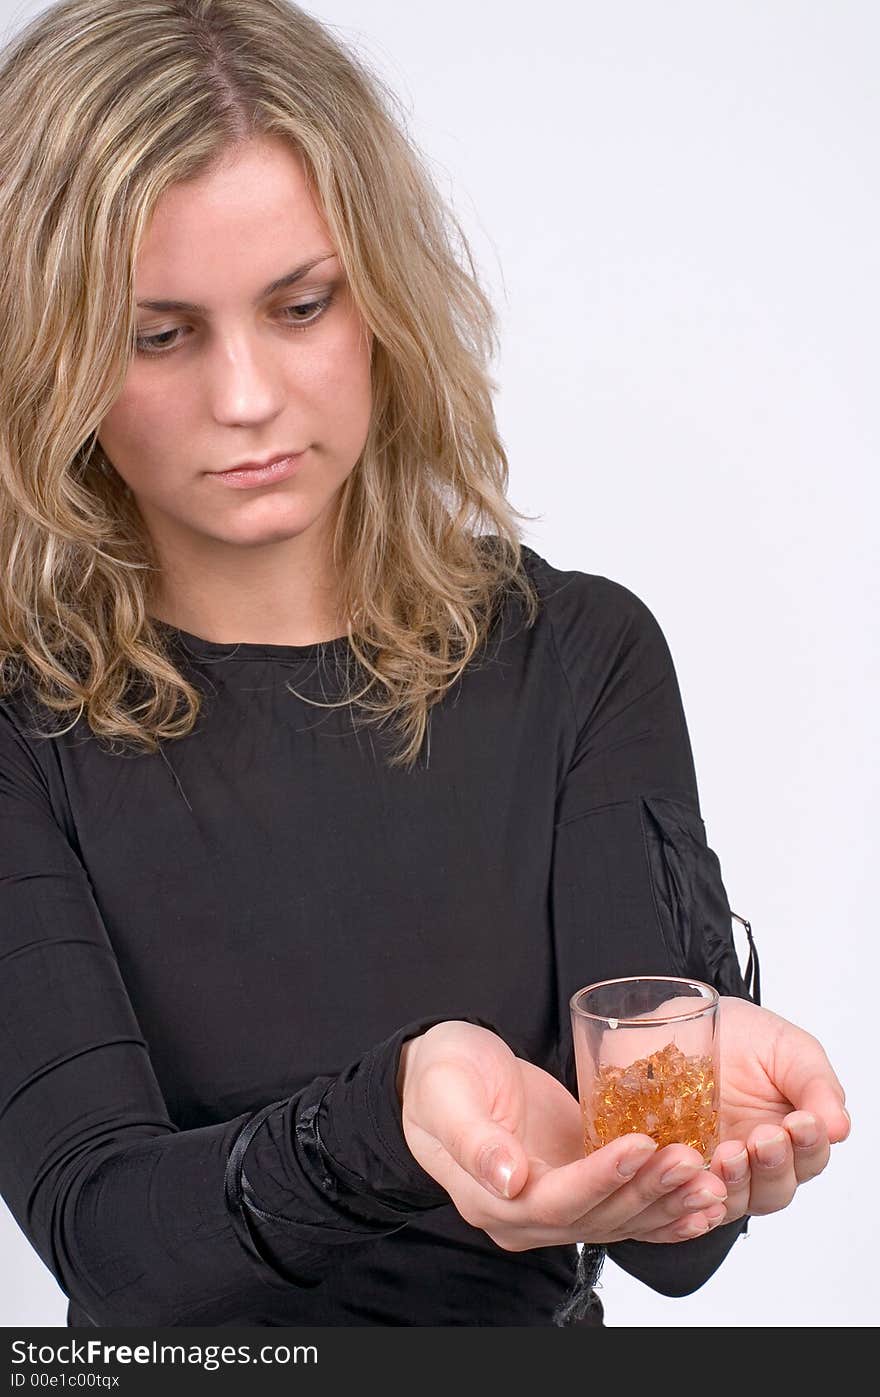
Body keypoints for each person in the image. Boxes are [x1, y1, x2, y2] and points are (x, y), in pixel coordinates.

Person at [0, 0, 849, 1330]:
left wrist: (694, 1116)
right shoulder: (17, 722)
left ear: (380, 294)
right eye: (160, 335)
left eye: (299, 304)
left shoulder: (579, 658)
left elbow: (674, 1249)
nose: (247, 397)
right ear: (44, 352)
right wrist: (391, 1118)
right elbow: (105, 1237)